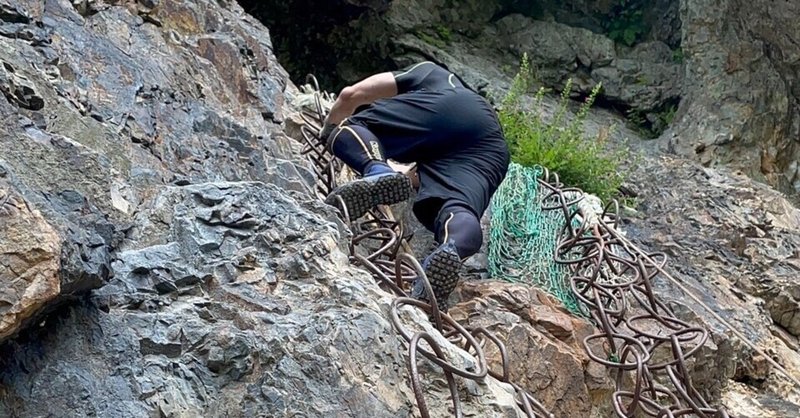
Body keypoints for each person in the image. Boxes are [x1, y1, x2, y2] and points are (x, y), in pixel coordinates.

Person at [319, 61, 510, 310]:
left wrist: (330, 129)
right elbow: (418, 177)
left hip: (450, 106)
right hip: (490, 146)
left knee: (354, 126)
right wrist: (403, 179)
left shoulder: (430, 71)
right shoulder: (477, 116)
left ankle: (376, 169)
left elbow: (352, 94)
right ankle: (451, 247)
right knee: (458, 206)